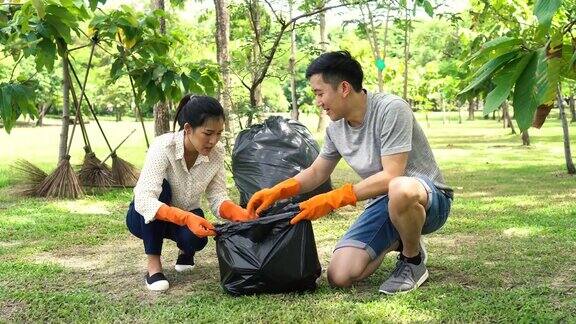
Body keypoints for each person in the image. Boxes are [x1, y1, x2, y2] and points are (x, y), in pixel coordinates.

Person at [247, 51, 453, 294]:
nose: (318, 102)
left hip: (428, 199)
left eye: (320, 93)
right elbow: (317, 172)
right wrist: (278, 191)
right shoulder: (336, 128)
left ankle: (412, 260)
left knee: (400, 188)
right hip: (384, 204)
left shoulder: (391, 109)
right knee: (340, 275)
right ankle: (403, 236)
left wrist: (334, 199)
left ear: (344, 88)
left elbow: (391, 175)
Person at [126, 94, 254, 292]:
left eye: (219, 133)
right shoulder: (163, 146)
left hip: (183, 216)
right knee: (162, 191)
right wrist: (186, 218)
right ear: (188, 129)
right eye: (208, 133)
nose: (214, 141)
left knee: (196, 239)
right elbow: (144, 200)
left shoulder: (217, 153)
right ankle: (153, 268)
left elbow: (218, 197)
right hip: (143, 218)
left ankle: (186, 251)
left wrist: (240, 214)